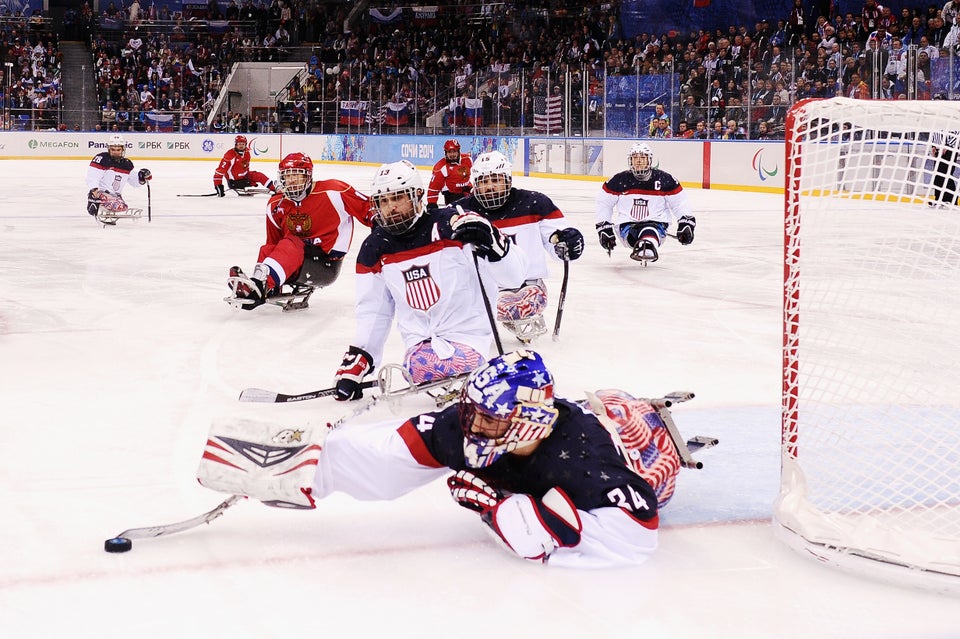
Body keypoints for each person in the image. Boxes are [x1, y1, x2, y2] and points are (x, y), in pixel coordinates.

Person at [198, 350, 684, 567]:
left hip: (640, 449)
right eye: (470, 411)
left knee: (628, 419)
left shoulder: (586, 463)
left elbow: (637, 537)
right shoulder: (476, 425)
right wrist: (310, 465)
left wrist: (501, 511)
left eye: (488, 419)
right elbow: (395, 453)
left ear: (530, 418)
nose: (472, 427)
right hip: (557, 443)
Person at [332, 160, 527, 401]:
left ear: (417, 195)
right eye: (383, 201)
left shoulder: (455, 223)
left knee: (425, 365)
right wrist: (360, 360)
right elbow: (373, 310)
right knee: (420, 364)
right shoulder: (375, 247)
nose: (390, 207)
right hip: (420, 346)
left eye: (397, 198)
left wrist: (496, 245)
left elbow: (514, 277)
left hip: (469, 336)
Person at [455, 151, 584, 343]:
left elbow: (557, 240)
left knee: (522, 305)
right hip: (481, 288)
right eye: (483, 181)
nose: (490, 186)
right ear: (475, 184)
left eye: (496, 180)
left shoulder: (535, 203)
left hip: (527, 284)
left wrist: (568, 243)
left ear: (508, 180)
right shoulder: (460, 211)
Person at [227, 152, 372, 311]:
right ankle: (266, 286)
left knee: (291, 243)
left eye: (297, 175)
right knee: (267, 249)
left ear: (308, 176)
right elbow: (274, 243)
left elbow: (370, 210)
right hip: (298, 261)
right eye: (287, 176)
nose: (292, 180)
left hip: (327, 264)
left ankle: (258, 288)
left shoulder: (334, 192)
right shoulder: (276, 205)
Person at [595, 143, 696, 263]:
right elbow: (604, 204)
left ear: (649, 160)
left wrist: (686, 222)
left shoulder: (665, 180)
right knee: (636, 235)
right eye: (635, 158)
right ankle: (645, 245)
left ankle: (647, 244)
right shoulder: (618, 180)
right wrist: (603, 227)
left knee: (650, 229)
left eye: (642, 158)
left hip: (657, 225)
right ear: (630, 160)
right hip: (627, 226)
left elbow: (680, 202)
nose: (638, 161)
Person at [85, 133, 151, 222]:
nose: (116, 152)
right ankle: (99, 201)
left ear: (123, 149)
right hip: (101, 195)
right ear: (109, 149)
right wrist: (93, 192)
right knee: (119, 206)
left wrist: (141, 177)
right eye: (113, 149)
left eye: (118, 149)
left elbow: (134, 181)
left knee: (122, 207)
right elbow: (92, 176)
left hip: (117, 197)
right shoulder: (102, 159)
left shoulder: (126, 164)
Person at [426, 139, 473, 209]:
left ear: (459, 151)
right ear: (445, 153)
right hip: (452, 197)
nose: (452, 154)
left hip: (468, 191)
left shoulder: (468, 159)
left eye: (454, 151)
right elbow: (433, 189)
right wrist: (432, 204)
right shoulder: (440, 168)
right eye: (449, 152)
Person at [929, 129, 960, 208]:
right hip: (938, 150)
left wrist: (947, 145)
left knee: (946, 174)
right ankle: (939, 199)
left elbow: (957, 133)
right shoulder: (937, 121)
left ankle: (952, 200)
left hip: (950, 150)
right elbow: (935, 133)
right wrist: (933, 146)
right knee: (937, 175)